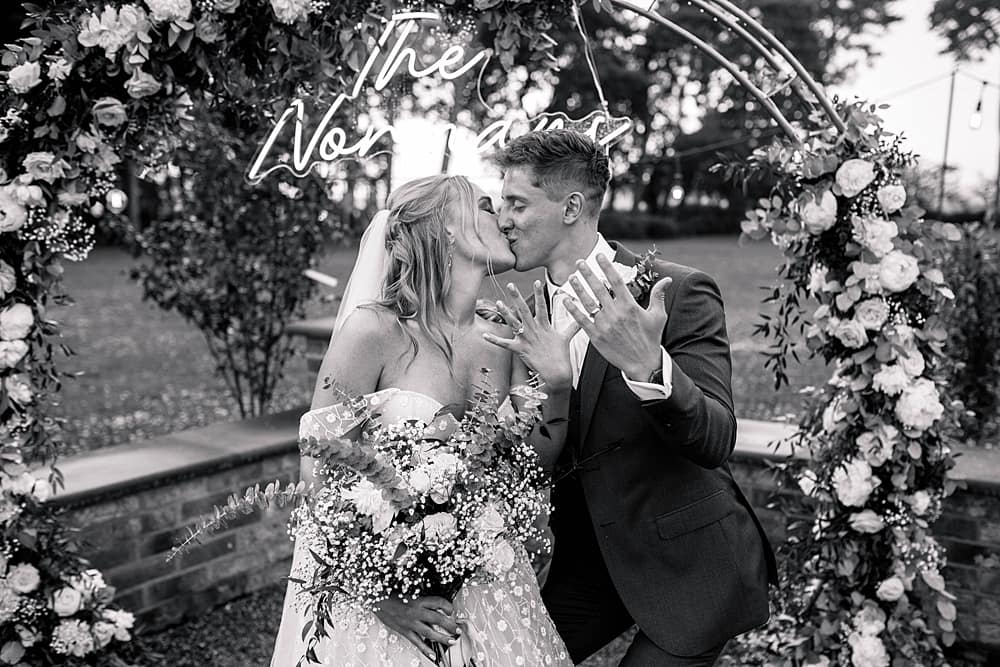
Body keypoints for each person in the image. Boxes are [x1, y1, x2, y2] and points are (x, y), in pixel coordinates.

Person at [488, 129, 778, 667]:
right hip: (590, 563)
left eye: (517, 203)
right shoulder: (527, 314)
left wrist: (648, 366)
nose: (502, 218)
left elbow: (715, 439)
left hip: (692, 564)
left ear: (571, 207)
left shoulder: (676, 291)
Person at [270, 174, 575, 667]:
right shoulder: (373, 331)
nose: (502, 218)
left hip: (483, 580)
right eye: (485, 205)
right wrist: (382, 600)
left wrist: (558, 384)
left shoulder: (503, 337)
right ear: (445, 228)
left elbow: (534, 464)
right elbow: (319, 475)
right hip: (381, 599)